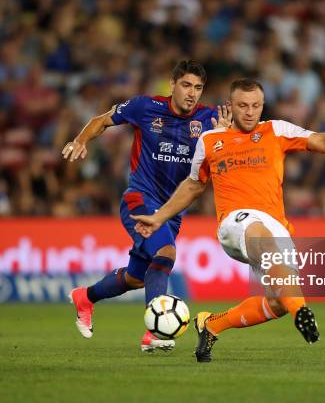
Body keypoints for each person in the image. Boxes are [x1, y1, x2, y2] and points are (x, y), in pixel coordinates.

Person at [132, 78, 325, 362]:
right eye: (242, 106)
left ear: (263, 105)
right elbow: (192, 186)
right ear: (231, 105)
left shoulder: (276, 130)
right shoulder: (211, 140)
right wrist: (158, 217)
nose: (249, 112)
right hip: (235, 222)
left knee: (278, 302)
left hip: (276, 227)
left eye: (255, 106)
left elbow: (322, 141)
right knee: (257, 232)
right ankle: (301, 310)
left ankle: (212, 324)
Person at [63, 60, 230, 352]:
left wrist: (224, 137)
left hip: (172, 210)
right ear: (173, 84)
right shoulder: (145, 107)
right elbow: (101, 120)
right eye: (187, 85)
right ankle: (153, 333)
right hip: (139, 199)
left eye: (198, 88)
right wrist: (80, 140)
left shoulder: (210, 118)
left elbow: (229, 151)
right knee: (165, 253)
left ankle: (85, 297)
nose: (192, 93)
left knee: (135, 278)